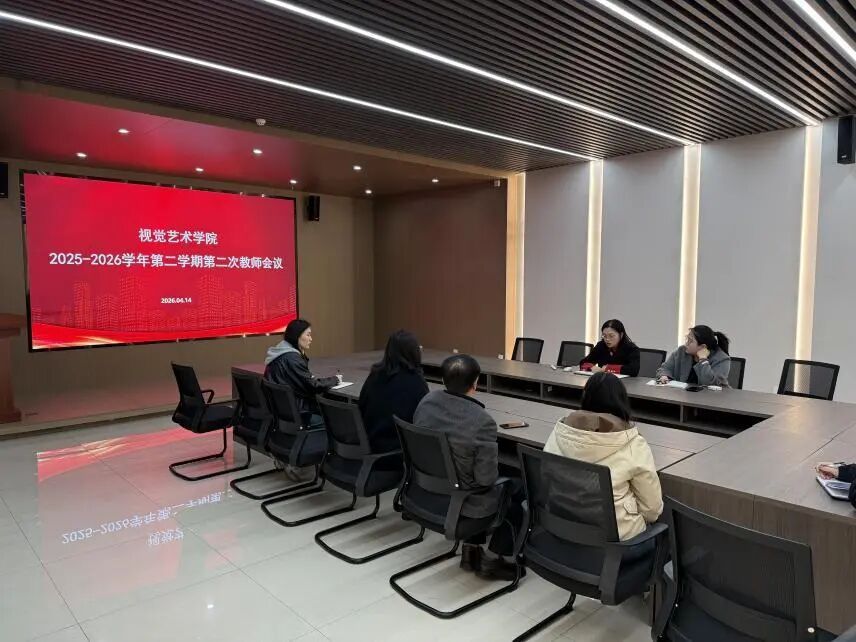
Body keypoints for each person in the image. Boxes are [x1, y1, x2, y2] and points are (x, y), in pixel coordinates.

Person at [413, 354, 519, 580]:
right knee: (516, 487)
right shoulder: (482, 421)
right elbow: (486, 480)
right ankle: (494, 559)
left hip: (425, 494)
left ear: (443, 380)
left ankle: (471, 551)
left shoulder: (425, 403)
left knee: (467, 473)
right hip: (461, 504)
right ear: (476, 383)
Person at [544, 371, 663, 541]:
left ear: (585, 397)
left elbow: (546, 478)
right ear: (622, 401)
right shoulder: (632, 443)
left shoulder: (560, 432)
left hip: (561, 525)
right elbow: (652, 510)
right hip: (614, 543)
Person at [358, 330, 429, 453]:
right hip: (398, 451)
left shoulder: (375, 375)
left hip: (370, 444)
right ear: (415, 352)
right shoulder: (416, 382)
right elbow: (423, 420)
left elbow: (361, 405)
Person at [264, 318, 339, 421]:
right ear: (297, 336)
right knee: (337, 418)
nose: (311, 339)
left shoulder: (279, 353)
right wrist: (335, 379)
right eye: (308, 335)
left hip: (282, 412)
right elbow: (312, 386)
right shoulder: (292, 358)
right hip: (299, 412)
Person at [656, 325, 731, 387]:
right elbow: (665, 368)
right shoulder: (682, 351)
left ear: (703, 347)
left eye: (690, 341)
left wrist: (703, 359)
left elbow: (709, 384)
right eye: (687, 339)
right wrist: (664, 376)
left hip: (710, 398)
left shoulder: (722, 359)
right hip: (683, 396)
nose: (686, 344)